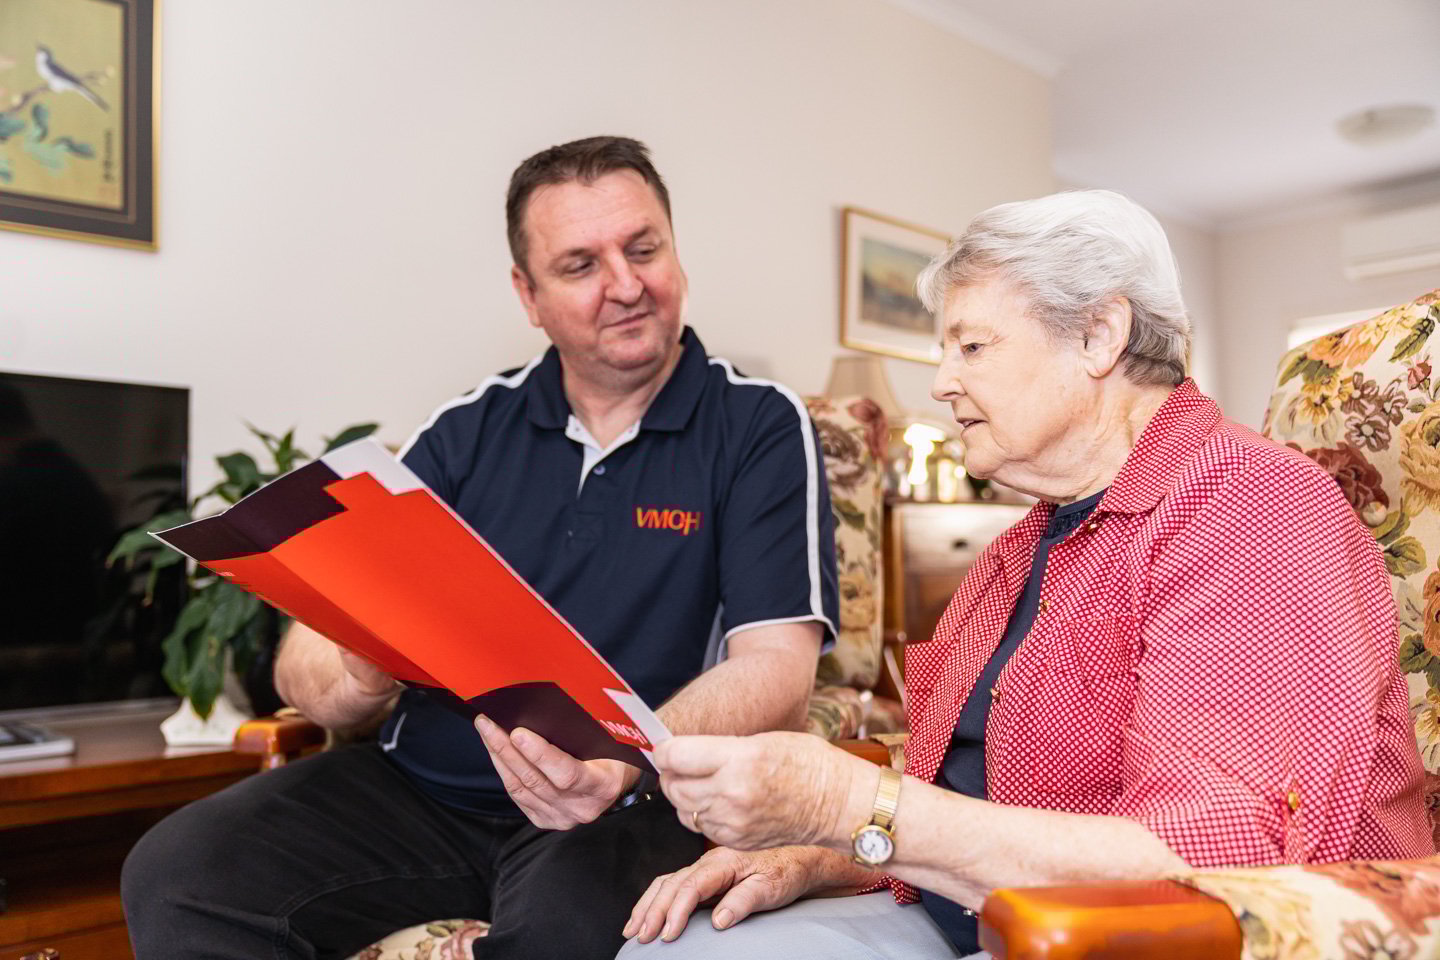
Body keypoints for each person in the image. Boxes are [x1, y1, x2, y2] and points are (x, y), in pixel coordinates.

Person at [618, 190, 1433, 960]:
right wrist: (821, 848)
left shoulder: (1253, 507)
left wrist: (848, 803)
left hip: (1144, 938)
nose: (941, 381)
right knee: (673, 946)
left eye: (972, 346)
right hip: (973, 910)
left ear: (1099, 335)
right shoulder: (1020, 549)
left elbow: (1207, 861)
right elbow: (972, 787)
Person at [121, 136, 839, 960]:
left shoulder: (757, 424)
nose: (626, 285)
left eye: (644, 250)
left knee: (559, 934)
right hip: (420, 792)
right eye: (581, 265)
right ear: (528, 295)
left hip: (623, 804)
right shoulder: (464, 430)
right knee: (176, 874)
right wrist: (355, 675)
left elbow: (777, 670)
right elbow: (303, 660)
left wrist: (625, 760)